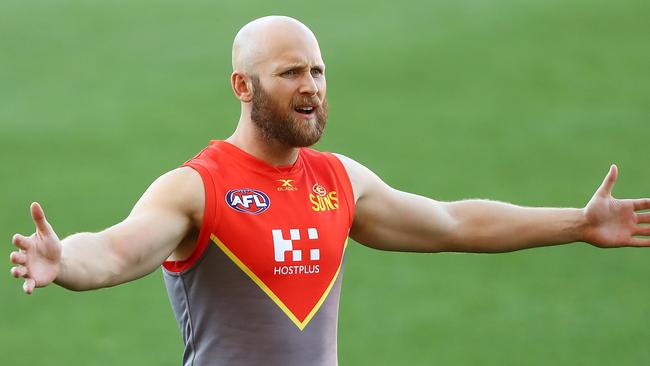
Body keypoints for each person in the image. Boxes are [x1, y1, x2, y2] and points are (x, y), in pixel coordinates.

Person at [9, 15, 649, 366]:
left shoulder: (340, 181)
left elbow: (454, 224)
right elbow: (119, 250)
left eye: (317, 70)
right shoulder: (197, 188)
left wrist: (579, 223)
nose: (310, 86)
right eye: (290, 73)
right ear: (242, 86)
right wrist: (66, 261)